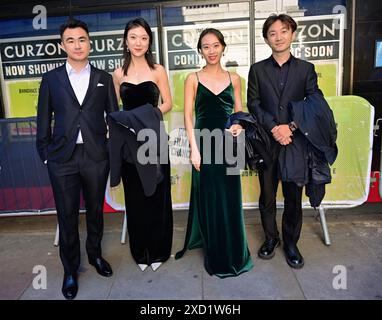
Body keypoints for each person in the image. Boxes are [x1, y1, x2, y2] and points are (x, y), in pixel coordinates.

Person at [36, 18, 118, 299]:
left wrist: (110, 152)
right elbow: (43, 120)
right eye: (70, 40)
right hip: (62, 159)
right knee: (67, 216)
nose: (77, 45)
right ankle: (70, 270)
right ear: (63, 46)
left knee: (95, 212)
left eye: (81, 39)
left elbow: (114, 119)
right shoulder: (51, 79)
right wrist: (47, 155)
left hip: (96, 157)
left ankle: (94, 255)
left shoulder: (104, 79)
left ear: (89, 43)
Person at [175, 28, 253, 278]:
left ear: (223, 47)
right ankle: (217, 254)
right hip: (204, 146)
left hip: (229, 146)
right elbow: (188, 116)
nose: (211, 51)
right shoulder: (193, 79)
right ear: (200, 50)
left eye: (215, 45)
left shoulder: (235, 78)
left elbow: (239, 111)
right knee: (211, 200)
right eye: (206, 46)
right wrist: (193, 151)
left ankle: (236, 252)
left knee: (231, 199)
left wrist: (239, 125)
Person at [247, 14, 323, 269]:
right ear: (266, 38)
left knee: (293, 197)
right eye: (272, 33)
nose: (278, 37)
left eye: (283, 31)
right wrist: (272, 127)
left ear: (292, 34)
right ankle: (271, 239)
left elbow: (314, 104)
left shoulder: (306, 69)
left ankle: (291, 244)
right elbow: (253, 104)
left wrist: (290, 127)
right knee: (267, 196)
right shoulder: (257, 69)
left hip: (295, 143)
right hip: (266, 144)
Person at [111, 18, 173, 272]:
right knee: (135, 200)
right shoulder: (117, 74)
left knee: (157, 198)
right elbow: (116, 112)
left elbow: (168, 103)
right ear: (126, 41)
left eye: (144, 38)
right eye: (133, 37)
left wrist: (145, 117)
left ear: (149, 42)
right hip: (129, 148)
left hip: (154, 142)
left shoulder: (157, 70)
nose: (138, 42)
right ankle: (140, 252)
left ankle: (158, 251)